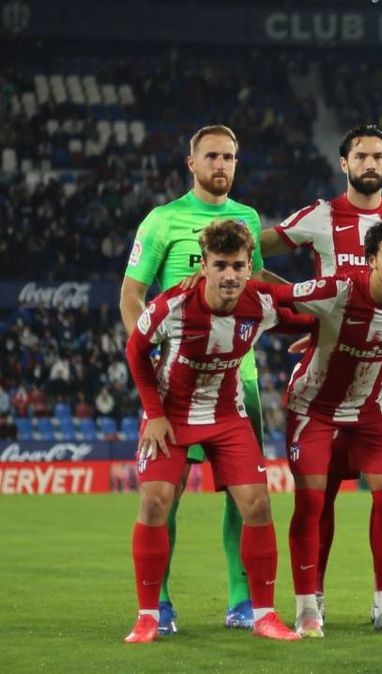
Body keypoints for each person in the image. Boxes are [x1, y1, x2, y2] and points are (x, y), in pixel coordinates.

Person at [261, 124, 382, 624]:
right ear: (344, 163)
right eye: (361, 156)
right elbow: (254, 254)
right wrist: (314, 321)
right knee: (319, 495)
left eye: (379, 156)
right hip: (328, 369)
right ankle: (312, 599)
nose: (371, 164)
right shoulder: (321, 216)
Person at [122, 220, 306, 643]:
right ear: (203, 266)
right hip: (172, 416)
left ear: (249, 268)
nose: (230, 275)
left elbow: (307, 313)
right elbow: (136, 350)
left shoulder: (260, 302)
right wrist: (155, 414)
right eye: (220, 265)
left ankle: (264, 615)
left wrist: (315, 338)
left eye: (238, 266)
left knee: (257, 505)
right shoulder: (174, 305)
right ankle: (148, 616)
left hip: (226, 416)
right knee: (155, 502)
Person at [119, 124, 267, 633]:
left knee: (244, 495)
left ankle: (241, 599)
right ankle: (159, 601)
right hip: (176, 386)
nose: (220, 165)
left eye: (229, 157)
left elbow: (258, 289)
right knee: (167, 492)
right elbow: (131, 295)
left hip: (240, 381)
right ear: (192, 163)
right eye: (211, 156)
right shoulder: (162, 220)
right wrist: (152, 352)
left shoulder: (247, 219)